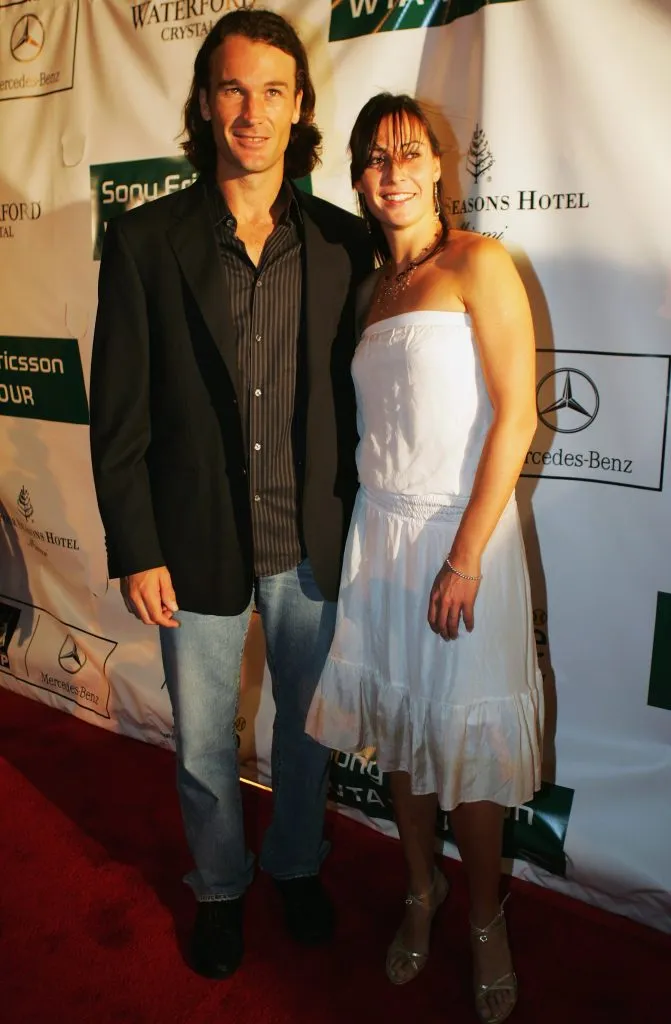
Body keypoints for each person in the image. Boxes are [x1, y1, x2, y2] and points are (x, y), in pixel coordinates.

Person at [89, 9, 372, 980]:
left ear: (299, 109)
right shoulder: (142, 242)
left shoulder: (344, 243)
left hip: (310, 544)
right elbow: (117, 413)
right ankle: (217, 885)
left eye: (274, 91)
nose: (253, 112)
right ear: (206, 103)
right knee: (204, 740)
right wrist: (134, 543)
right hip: (193, 539)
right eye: (233, 89)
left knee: (306, 727)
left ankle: (294, 862)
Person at [306, 93, 543, 1024]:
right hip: (382, 535)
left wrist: (467, 556)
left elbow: (516, 417)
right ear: (359, 179)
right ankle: (420, 889)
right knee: (401, 735)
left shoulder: (480, 263)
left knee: (470, 752)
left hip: (463, 541)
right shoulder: (373, 291)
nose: (390, 172)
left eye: (407, 153)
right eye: (372, 158)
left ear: (438, 166)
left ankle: (486, 917)